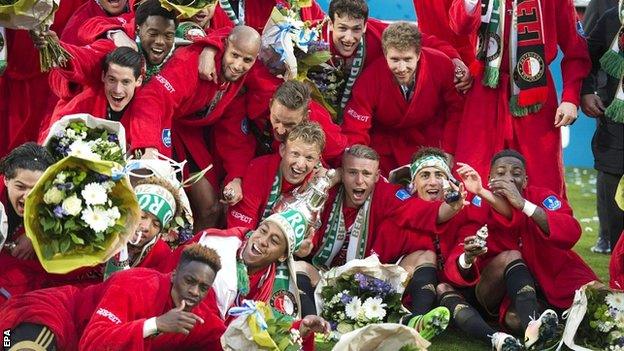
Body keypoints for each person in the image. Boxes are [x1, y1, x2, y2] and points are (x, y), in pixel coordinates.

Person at [296, 145, 471, 340]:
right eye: (352, 172)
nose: (359, 180)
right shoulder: (324, 191)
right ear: (341, 173)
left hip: (367, 282)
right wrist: (303, 247)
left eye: (366, 173)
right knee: (299, 266)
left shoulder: (387, 193)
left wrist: (452, 207)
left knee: (424, 255)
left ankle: (416, 322)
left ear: (377, 176)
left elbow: (421, 210)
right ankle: (314, 323)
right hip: (323, 275)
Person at [125, 25, 266, 231]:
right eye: (234, 55)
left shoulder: (238, 80)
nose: (237, 65)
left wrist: (236, 177)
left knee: (211, 209)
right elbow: (152, 98)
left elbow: (235, 134)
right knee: (151, 203)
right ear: (225, 46)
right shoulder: (191, 62)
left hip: (188, 137)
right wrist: (149, 147)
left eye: (247, 60)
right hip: (157, 127)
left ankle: (190, 257)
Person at [449, 0, 591, 198]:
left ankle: (542, 225)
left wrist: (570, 98)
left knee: (542, 177)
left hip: (536, 94)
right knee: (475, 171)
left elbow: (576, 48)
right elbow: (459, 26)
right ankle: (472, 227)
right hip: (485, 91)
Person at [458, 149, 598, 349]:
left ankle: (554, 325)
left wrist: (524, 205)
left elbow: (571, 231)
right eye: (501, 172)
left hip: (557, 277)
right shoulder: (478, 204)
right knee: (513, 320)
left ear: (525, 181)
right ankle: (541, 329)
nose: (508, 178)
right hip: (510, 290)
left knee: (601, 304)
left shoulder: (542, 197)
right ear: (489, 179)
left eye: (516, 174)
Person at [404, 147, 523, 349]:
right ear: (413, 184)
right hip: (415, 297)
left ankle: (498, 339)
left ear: (449, 181)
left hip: (460, 294)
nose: (433, 182)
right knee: (429, 266)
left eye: (439, 175)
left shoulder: (465, 212)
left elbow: (458, 259)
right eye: (425, 175)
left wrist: (467, 258)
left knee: (443, 287)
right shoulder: (402, 211)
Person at [0, 244, 225, 350]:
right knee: (15, 344)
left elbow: (223, 341)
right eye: (189, 281)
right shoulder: (136, 284)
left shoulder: (201, 317)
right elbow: (92, 343)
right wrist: (155, 325)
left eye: (203, 287)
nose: (195, 292)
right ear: (174, 274)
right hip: (54, 316)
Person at [309, 0, 466, 123]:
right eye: (342, 28)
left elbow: (421, 41)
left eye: (356, 29)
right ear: (330, 24)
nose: (349, 38)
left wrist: (454, 59)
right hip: (321, 115)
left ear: (365, 26)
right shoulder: (308, 39)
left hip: (363, 111)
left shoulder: (377, 33)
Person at [342, 21, 463, 175]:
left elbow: (456, 110)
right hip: (387, 146)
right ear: (385, 54)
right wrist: (361, 167)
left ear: (419, 54)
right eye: (394, 60)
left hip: (432, 139)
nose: (401, 68)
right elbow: (355, 129)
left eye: (407, 59)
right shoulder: (369, 79)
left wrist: (449, 150)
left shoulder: (441, 64)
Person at [218, 81, 347, 206]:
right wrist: (236, 177)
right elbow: (236, 142)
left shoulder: (324, 131)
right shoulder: (256, 99)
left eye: (289, 124)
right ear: (270, 104)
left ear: (305, 117)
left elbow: (347, 160)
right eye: (276, 119)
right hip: (253, 170)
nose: (280, 130)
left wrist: (336, 175)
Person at [226, 121, 326, 230]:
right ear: (282, 150)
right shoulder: (259, 169)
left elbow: (313, 231)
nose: (300, 164)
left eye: (309, 158)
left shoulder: (318, 184)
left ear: (317, 160)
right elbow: (239, 228)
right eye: (295, 154)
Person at [581, 3, 624, 253]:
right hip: (616, 128)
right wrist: (586, 91)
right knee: (616, 208)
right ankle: (619, 275)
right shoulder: (612, 18)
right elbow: (585, 55)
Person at [103, 176, 183, 279]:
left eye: (156, 224)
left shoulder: (161, 254)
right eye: (142, 216)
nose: (145, 227)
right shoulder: (103, 227)